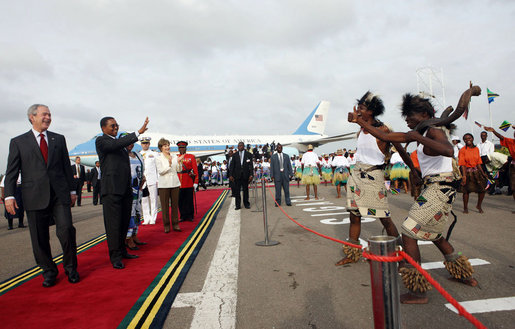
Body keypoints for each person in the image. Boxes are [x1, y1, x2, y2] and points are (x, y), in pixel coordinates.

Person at [347, 87, 480, 304]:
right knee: (433, 234)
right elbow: (385, 135)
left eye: (411, 116)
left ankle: (418, 292)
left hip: (441, 188)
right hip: (433, 187)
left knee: (409, 232)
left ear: (425, 116)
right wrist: (360, 122)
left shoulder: (433, 132)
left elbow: (448, 151)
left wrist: (418, 136)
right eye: (406, 116)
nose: (407, 120)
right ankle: (463, 274)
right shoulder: (419, 132)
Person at [4, 104, 79, 287]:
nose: (48, 117)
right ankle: (49, 271)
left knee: (67, 230)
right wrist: (9, 196)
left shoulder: (58, 139)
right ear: (32, 117)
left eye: (49, 115)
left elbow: (65, 167)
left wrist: (72, 190)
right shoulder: (18, 142)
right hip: (34, 196)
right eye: (44, 114)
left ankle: (71, 269)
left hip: (59, 195)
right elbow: (11, 172)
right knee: (39, 238)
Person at [336, 92, 406, 267]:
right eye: (358, 108)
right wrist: (359, 121)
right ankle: (352, 253)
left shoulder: (383, 131)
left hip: (374, 176)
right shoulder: (361, 129)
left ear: (372, 111)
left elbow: (401, 149)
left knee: (384, 218)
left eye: (361, 108)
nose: (358, 111)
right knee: (354, 216)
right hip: (357, 175)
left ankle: (402, 254)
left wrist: (414, 170)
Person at [95, 116, 149, 269]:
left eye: (117, 125)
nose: (115, 128)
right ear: (103, 128)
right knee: (113, 225)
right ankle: (115, 257)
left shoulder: (120, 145)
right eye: (112, 126)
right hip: (111, 190)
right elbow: (115, 144)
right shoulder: (102, 141)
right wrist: (138, 132)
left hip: (125, 189)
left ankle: (123, 250)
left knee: (124, 222)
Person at [156, 138, 183, 233]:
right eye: (165, 146)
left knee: (175, 205)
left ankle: (175, 223)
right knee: (165, 206)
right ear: (161, 148)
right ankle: (166, 225)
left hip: (175, 183)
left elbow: (178, 170)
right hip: (164, 185)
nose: (167, 147)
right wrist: (169, 164)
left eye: (168, 145)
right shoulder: (158, 158)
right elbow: (161, 171)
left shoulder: (174, 156)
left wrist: (179, 162)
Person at [459, 133, 488, 214]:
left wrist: (483, 173)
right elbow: (462, 164)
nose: (468, 140)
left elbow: (478, 163)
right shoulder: (462, 150)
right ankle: (465, 208)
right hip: (467, 172)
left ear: (473, 139)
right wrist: (464, 176)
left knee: (482, 190)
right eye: (465, 139)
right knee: (466, 191)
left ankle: (479, 205)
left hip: (476, 172)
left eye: (469, 138)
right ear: (464, 140)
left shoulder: (476, 149)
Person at [485, 125, 515, 202]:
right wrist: (493, 131)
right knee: (513, 187)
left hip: (505, 163)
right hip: (512, 166)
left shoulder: (495, 155)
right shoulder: (511, 142)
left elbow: (505, 162)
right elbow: (502, 137)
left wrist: (503, 169)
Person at [125, 138, 145, 249]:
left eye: (131, 142)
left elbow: (142, 169)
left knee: (137, 211)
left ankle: (135, 234)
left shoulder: (137, 155)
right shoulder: (122, 156)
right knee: (130, 214)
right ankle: (128, 239)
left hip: (138, 188)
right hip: (129, 189)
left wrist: (143, 178)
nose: (130, 145)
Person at [176, 141, 199, 221]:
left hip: (188, 180)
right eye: (180, 148)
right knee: (180, 200)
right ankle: (182, 215)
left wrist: (196, 182)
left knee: (189, 200)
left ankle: (190, 215)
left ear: (185, 148)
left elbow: (195, 170)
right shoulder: (176, 157)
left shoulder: (191, 157)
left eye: (183, 147)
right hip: (178, 182)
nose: (181, 149)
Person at [139, 137, 159, 225]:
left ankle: (153, 218)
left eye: (146, 143)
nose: (145, 145)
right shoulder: (138, 154)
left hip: (152, 179)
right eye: (143, 143)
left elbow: (157, 168)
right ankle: (146, 218)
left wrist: (158, 180)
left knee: (153, 199)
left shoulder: (154, 154)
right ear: (141, 144)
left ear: (149, 144)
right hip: (142, 181)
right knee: (144, 200)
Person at [229, 141, 254, 210]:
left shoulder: (248, 154)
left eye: (241, 146)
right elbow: (232, 166)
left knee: (246, 190)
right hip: (237, 176)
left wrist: (251, 174)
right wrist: (230, 175)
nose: (240, 147)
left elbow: (251, 166)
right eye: (239, 146)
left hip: (245, 175)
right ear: (238, 147)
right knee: (237, 191)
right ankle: (238, 205)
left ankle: (246, 204)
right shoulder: (235, 155)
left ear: (244, 146)